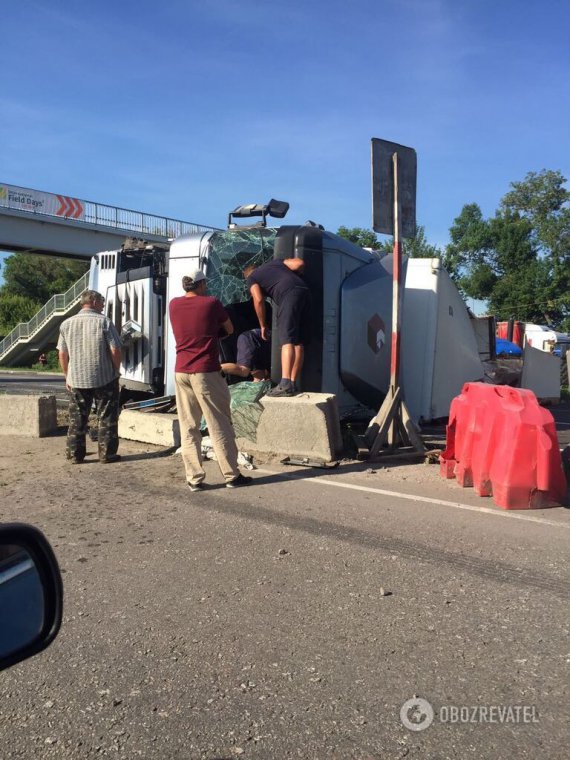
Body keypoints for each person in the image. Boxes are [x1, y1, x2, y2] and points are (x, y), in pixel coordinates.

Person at [169, 269, 253, 491]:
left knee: (189, 426)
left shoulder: (174, 305)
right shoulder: (211, 303)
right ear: (201, 283)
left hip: (181, 371)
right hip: (205, 371)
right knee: (219, 424)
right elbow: (229, 329)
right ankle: (231, 475)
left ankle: (194, 478)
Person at [57, 290, 122, 464]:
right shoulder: (104, 322)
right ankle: (107, 455)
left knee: (76, 418)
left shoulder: (66, 324)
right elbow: (115, 349)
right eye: (101, 301)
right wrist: (116, 370)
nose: (102, 304)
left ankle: (74, 455)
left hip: (76, 378)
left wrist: (66, 375)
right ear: (92, 301)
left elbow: (62, 353)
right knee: (107, 416)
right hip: (104, 377)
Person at [245, 258, 310, 396]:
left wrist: (263, 325)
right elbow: (299, 263)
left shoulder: (252, 278)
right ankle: (292, 383)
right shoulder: (275, 264)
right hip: (304, 290)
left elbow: (258, 299)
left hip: (287, 294)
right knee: (298, 343)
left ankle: (285, 383)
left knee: (287, 341)